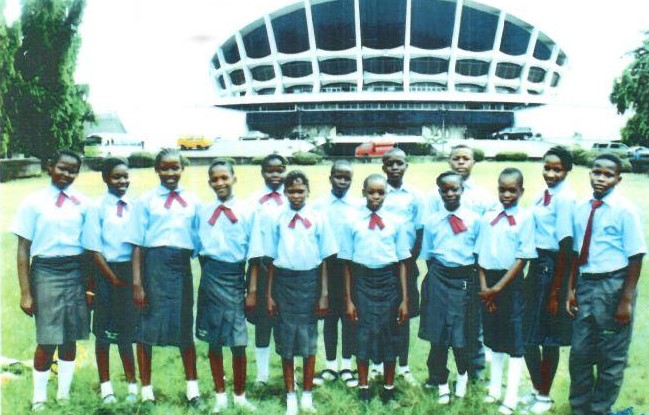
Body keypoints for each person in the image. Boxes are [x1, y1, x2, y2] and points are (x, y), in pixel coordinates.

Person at [566, 153, 646, 415]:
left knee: (611, 355)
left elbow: (635, 256)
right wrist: (571, 289)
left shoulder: (624, 210)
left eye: (608, 175)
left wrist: (626, 300)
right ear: (589, 173)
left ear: (618, 179)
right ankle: (580, 408)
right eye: (597, 172)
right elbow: (576, 252)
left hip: (614, 285)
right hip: (585, 284)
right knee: (580, 352)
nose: (601, 178)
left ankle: (600, 409)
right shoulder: (581, 207)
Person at [12, 149, 91, 411]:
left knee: (70, 337)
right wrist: (25, 292)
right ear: (49, 167)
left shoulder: (83, 202)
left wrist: (90, 286)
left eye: (73, 170)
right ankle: (39, 397)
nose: (67, 174)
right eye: (62, 168)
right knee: (47, 338)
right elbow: (23, 249)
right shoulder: (33, 203)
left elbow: (90, 247)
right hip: (46, 271)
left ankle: (63, 395)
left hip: (75, 271)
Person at [126, 148, 202, 407]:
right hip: (153, 267)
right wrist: (138, 284)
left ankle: (192, 390)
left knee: (184, 327)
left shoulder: (192, 201)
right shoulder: (146, 201)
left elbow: (198, 239)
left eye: (175, 167)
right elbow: (137, 244)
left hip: (180, 267)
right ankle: (146, 391)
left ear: (183, 169)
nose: (170, 173)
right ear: (156, 170)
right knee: (147, 328)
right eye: (165, 168)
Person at [263, 170, 336, 415]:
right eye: (291, 191)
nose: (296, 195)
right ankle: (290, 395)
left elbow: (324, 259)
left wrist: (324, 293)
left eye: (300, 191)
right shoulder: (277, 219)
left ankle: (307, 394)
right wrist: (269, 294)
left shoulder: (318, 218)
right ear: (284, 192)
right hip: (284, 284)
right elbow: (271, 259)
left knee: (308, 342)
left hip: (310, 284)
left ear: (308, 191)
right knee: (286, 341)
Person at [426, 144, 498, 383]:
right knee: (439, 325)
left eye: (465, 158)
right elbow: (430, 244)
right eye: (455, 158)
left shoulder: (482, 198)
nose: (460, 162)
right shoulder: (434, 199)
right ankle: (437, 374)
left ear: (473, 162)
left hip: (468, 270)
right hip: (441, 270)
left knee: (471, 325)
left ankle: (474, 371)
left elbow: (485, 235)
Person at [340, 174, 410, 404]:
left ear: (386, 194)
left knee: (390, 334)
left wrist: (404, 299)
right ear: (363, 192)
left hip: (388, 281)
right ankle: (363, 388)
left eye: (381, 192)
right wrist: (349, 299)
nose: (376, 197)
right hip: (362, 281)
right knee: (363, 334)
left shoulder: (396, 221)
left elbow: (402, 262)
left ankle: (389, 388)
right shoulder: (352, 221)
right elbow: (346, 263)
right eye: (371, 192)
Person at [196, 159, 258, 413]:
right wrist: (211, 271)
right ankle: (220, 395)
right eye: (215, 179)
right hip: (211, 277)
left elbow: (255, 254)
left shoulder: (248, 211)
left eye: (224, 177)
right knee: (214, 339)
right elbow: (200, 249)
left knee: (238, 340)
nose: (220, 183)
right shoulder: (203, 211)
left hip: (235, 278)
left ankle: (240, 395)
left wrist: (251, 291)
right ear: (209, 183)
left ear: (234, 179)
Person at [475, 168, 537, 415]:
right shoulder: (488, 217)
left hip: (511, 284)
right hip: (487, 283)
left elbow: (523, 257)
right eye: (502, 190)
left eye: (512, 190)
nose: (507, 195)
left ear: (521, 191)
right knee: (494, 337)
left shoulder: (525, 218)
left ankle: (511, 396)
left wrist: (497, 289)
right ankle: (494, 389)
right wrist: (485, 288)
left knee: (514, 341)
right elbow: (479, 255)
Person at [419, 171, 480, 405]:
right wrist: (439, 278)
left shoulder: (474, 220)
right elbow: (429, 255)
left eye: (455, 189)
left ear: (462, 190)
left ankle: (463, 376)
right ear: (439, 192)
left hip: (464, 278)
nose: (450, 193)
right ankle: (442, 382)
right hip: (439, 277)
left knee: (460, 336)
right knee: (439, 335)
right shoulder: (432, 222)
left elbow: (478, 254)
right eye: (445, 190)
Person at [523, 146, 575, 413]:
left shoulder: (564, 199)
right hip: (536, 266)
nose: (551, 174)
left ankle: (544, 396)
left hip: (553, 269)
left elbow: (566, 246)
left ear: (567, 171)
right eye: (547, 168)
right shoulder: (540, 196)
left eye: (557, 169)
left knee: (548, 337)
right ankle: (536, 388)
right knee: (528, 335)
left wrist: (556, 291)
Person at [82, 158, 138, 404]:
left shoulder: (135, 206)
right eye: (116, 177)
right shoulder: (97, 208)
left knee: (127, 332)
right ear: (105, 178)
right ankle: (106, 388)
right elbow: (93, 249)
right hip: (106, 273)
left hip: (131, 272)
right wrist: (113, 280)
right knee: (104, 334)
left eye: (125, 176)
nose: (122, 181)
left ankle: (132, 385)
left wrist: (134, 278)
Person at [312, 160, 360, 388]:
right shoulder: (319, 206)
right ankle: (331, 365)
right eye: (338, 176)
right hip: (327, 266)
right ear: (330, 177)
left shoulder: (358, 206)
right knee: (330, 317)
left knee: (349, 317)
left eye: (347, 178)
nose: (342, 181)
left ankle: (347, 365)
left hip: (351, 266)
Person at [381, 148, 423, 385]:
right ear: (383, 167)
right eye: (390, 164)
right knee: (380, 314)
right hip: (382, 263)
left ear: (407, 165)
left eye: (399, 163)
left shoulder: (414, 196)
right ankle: (378, 364)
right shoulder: (377, 191)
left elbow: (419, 230)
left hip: (406, 263)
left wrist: (410, 259)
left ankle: (404, 366)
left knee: (403, 314)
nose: (395, 167)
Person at [247, 154, 288, 386]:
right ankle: (262, 375)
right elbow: (252, 238)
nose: (275, 175)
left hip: (286, 269)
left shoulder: (293, 197)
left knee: (286, 321)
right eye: (270, 171)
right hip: (261, 267)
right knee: (263, 321)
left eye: (280, 170)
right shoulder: (254, 201)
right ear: (262, 172)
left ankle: (288, 373)